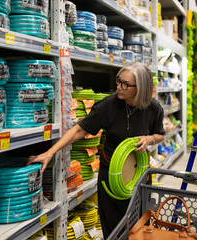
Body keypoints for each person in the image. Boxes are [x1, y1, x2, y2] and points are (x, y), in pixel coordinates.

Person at [27, 63, 165, 238]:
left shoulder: (153, 108)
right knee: (113, 225)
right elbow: (78, 129)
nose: (118, 87)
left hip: (139, 173)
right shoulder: (108, 106)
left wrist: (149, 139)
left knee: (139, 222)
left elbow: (159, 135)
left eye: (125, 84)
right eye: (118, 81)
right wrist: (50, 152)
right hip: (111, 175)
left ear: (141, 88)